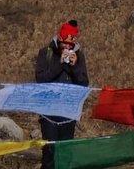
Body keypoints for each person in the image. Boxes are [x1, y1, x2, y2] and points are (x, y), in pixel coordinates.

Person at [34, 22, 86, 165]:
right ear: (59, 39)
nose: (67, 48)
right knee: (49, 151)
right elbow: (41, 79)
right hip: (48, 113)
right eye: (64, 44)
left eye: (70, 45)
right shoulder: (46, 53)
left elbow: (83, 83)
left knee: (66, 152)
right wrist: (60, 64)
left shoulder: (79, 56)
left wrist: (74, 67)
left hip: (68, 113)